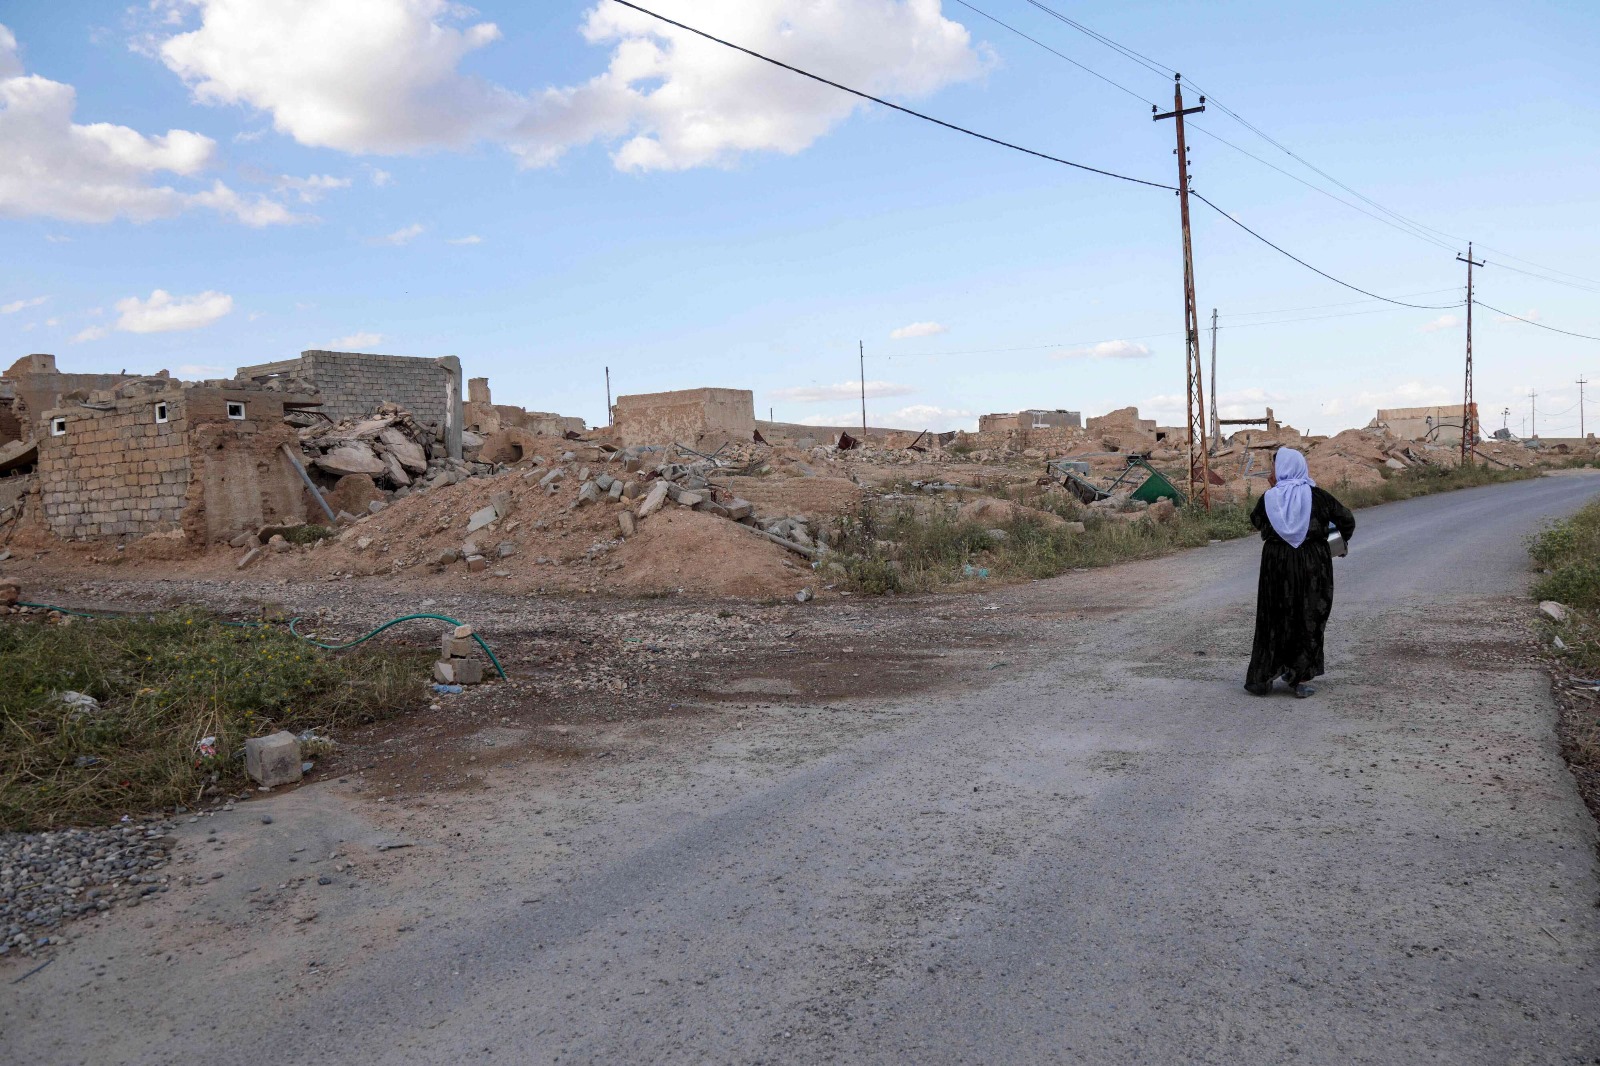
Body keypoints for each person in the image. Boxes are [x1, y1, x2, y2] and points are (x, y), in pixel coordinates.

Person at [1244, 448, 1355, 698]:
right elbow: (1346, 520)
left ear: (1282, 469)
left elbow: (1257, 521)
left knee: (1275, 616)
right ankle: (1299, 677)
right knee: (1309, 616)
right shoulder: (1318, 497)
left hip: (1276, 564)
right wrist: (1338, 542)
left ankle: (1265, 675)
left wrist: (1276, 494)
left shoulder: (1269, 498)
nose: (1272, 472)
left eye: (1274, 467)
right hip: (1312, 564)